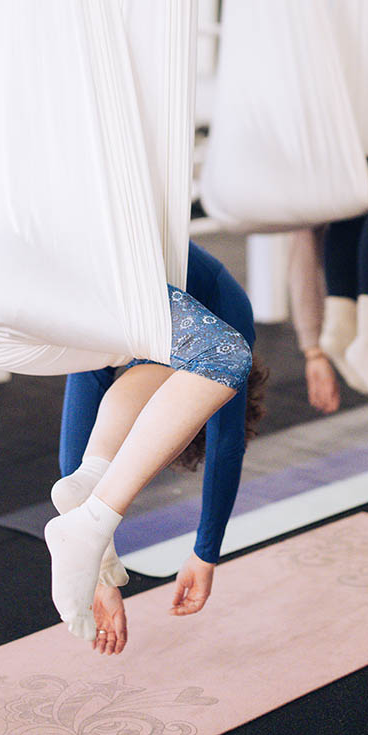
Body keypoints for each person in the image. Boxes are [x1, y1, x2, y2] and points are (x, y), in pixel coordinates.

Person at [55, 242, 264, 655]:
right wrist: (205, 554)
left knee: (90, 469)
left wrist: (97, 571)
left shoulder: (126, 345)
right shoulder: (228, 333)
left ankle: (92, 515)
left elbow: (76, 453)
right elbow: (226, 446)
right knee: (209, 367)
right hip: (118, 260)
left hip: (85, 270)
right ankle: (92, 522)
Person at [289, 139, 368, 418]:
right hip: (313, 139)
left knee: (351, 208)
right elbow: (304, 246)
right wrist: (312, 348)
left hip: (361, 132)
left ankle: (344, 326)